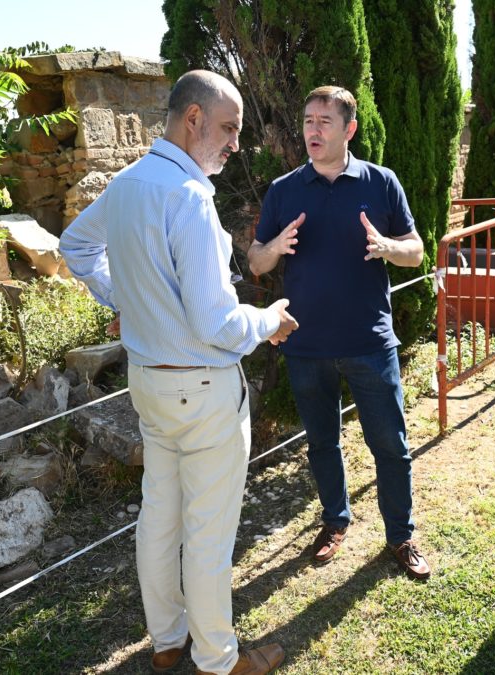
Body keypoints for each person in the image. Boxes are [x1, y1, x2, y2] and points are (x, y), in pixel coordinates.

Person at [60, 70, 295, 675]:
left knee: (159, 519)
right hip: (201, 387)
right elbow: (217, 322)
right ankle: (219, 660)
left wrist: (127, 300)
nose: (235, 144)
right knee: (208, 534)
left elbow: (75, 247)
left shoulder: (127, 183)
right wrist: (268, 320)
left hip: (150, 384)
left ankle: (168, 640)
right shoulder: (187, 196)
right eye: (228, 128)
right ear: (192, 119)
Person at [247, 86, 431, 581]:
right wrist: (276, 247)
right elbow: (256, 260)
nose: (313, 130)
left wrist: (389, 245)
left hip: (370, 342)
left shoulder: (382, 182)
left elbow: (416, 251)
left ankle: (402, 535)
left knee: (390, 444)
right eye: (308, 120)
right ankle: (335, 521)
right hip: (305, 344)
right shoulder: (285, 190)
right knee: (322, 442)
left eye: (325, 122)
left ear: (349, 129)